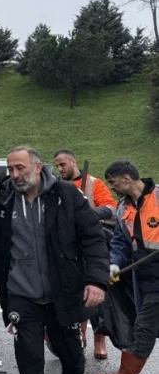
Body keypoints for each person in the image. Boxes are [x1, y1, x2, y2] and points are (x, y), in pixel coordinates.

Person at [0, 146, 107, 374]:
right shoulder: (2, 201)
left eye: (20, 168)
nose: (14, 174)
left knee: (72, 360)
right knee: (29, 359)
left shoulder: (66, 194)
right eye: (10, 169)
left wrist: (96, 280)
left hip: (62, 293)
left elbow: (93, 238)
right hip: (21, 295)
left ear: (37, 167)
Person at [94, 161, 159, 374]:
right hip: (141, 276)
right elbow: (121, 242)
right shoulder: (123, 209)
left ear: (126, 178)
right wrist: (113, 263)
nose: (111, 187)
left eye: (112, 182)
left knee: (144, 327)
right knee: (146, 325)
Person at [53, 149, 117, 360]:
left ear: (73, 162)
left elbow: (111, 208)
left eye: (63, 164)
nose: (60, 169)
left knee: (96, 295)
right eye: (57, 166)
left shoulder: (93, 184)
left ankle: (100, 338)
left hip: (91, 246)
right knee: (73, 295)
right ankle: (78, 337)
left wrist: (85, 214)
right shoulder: (56, 187)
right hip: (68, 250)